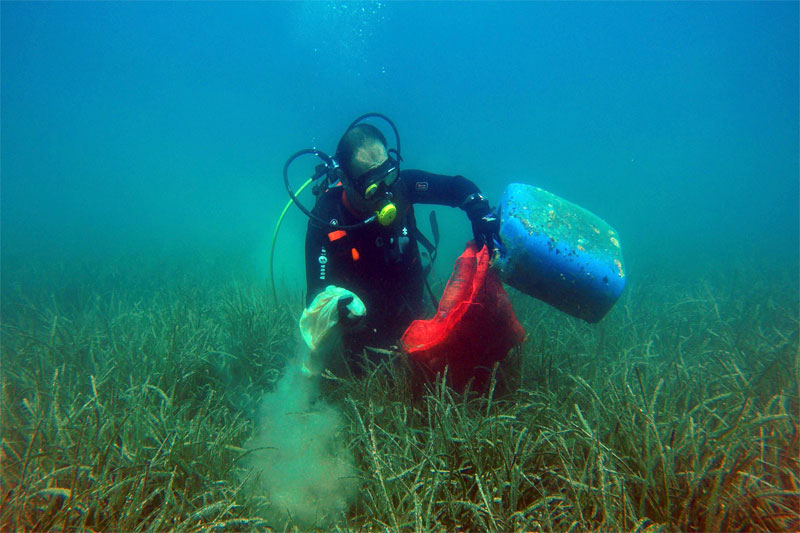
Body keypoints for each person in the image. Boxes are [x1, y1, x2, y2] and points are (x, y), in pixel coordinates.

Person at [302, 119, 500, 368]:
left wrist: (480, 211)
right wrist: (335, 307)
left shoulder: (402, 187)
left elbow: (457, 188)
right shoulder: (326, 219)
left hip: (412, 309)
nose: (386, 193)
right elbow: (315, 296)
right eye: (373, 187)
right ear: (345, 178)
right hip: (360, 334)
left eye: (389, 176)